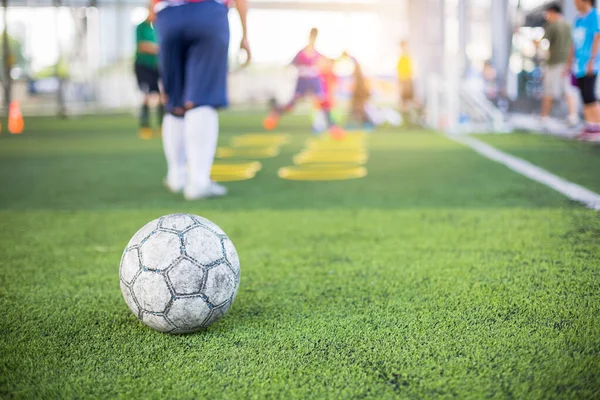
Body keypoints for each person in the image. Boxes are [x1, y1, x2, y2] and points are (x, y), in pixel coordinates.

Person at [154, 0, 250, 199]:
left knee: (175, 102)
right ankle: (198, 181)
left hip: (168, 15)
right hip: (207, 12)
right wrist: (245, 35)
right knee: (202, 99)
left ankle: (176, 176)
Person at [263, 28, 344, 139]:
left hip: (314, 81)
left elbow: (329, 61)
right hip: (302, 82)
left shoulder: (318, 54)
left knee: (323, 103)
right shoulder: (301, 53)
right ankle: (274, 115)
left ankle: (333, 127)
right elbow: (291, 64)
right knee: (291, 105)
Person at [539, 3, 579, 128]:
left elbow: (543, 45)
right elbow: (574, 45)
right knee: (568, 91)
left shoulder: (552, 26)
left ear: (552, 12)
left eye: (547, 14)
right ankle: (573, 117)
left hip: (554, 63)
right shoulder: (569, 26)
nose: (547, 17)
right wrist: (569, 63)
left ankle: (544, 118)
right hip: (568, 63)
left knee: (549, 91)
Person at [568, 0, 600, 140]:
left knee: (590, 95)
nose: (575, 2)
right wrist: (570, 62)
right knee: (584, 96)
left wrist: (592, 60)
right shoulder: (578, 19)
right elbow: (573, 43)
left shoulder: (594, 16)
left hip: (590, 64)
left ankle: (598, 124)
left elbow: (597, 38)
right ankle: (590, 125)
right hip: (578, 64)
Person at [134, 4, 163, 140]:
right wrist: (158, 49)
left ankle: (161, 125)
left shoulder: (160, 27)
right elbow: (142, 46)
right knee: (145, 95)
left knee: (160, 95)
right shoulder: (141, 27)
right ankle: (145, 126)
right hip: (143, 66)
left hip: (158, 66)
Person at [397, 40, 416, 116]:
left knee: (409, 100)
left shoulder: (407, 57)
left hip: (407, 80)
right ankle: (404, 116)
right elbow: (399, 71)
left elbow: (410, 70)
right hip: (403, 80)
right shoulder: (401, 57)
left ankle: (409, 116)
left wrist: (408, 81)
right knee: (403, 100)